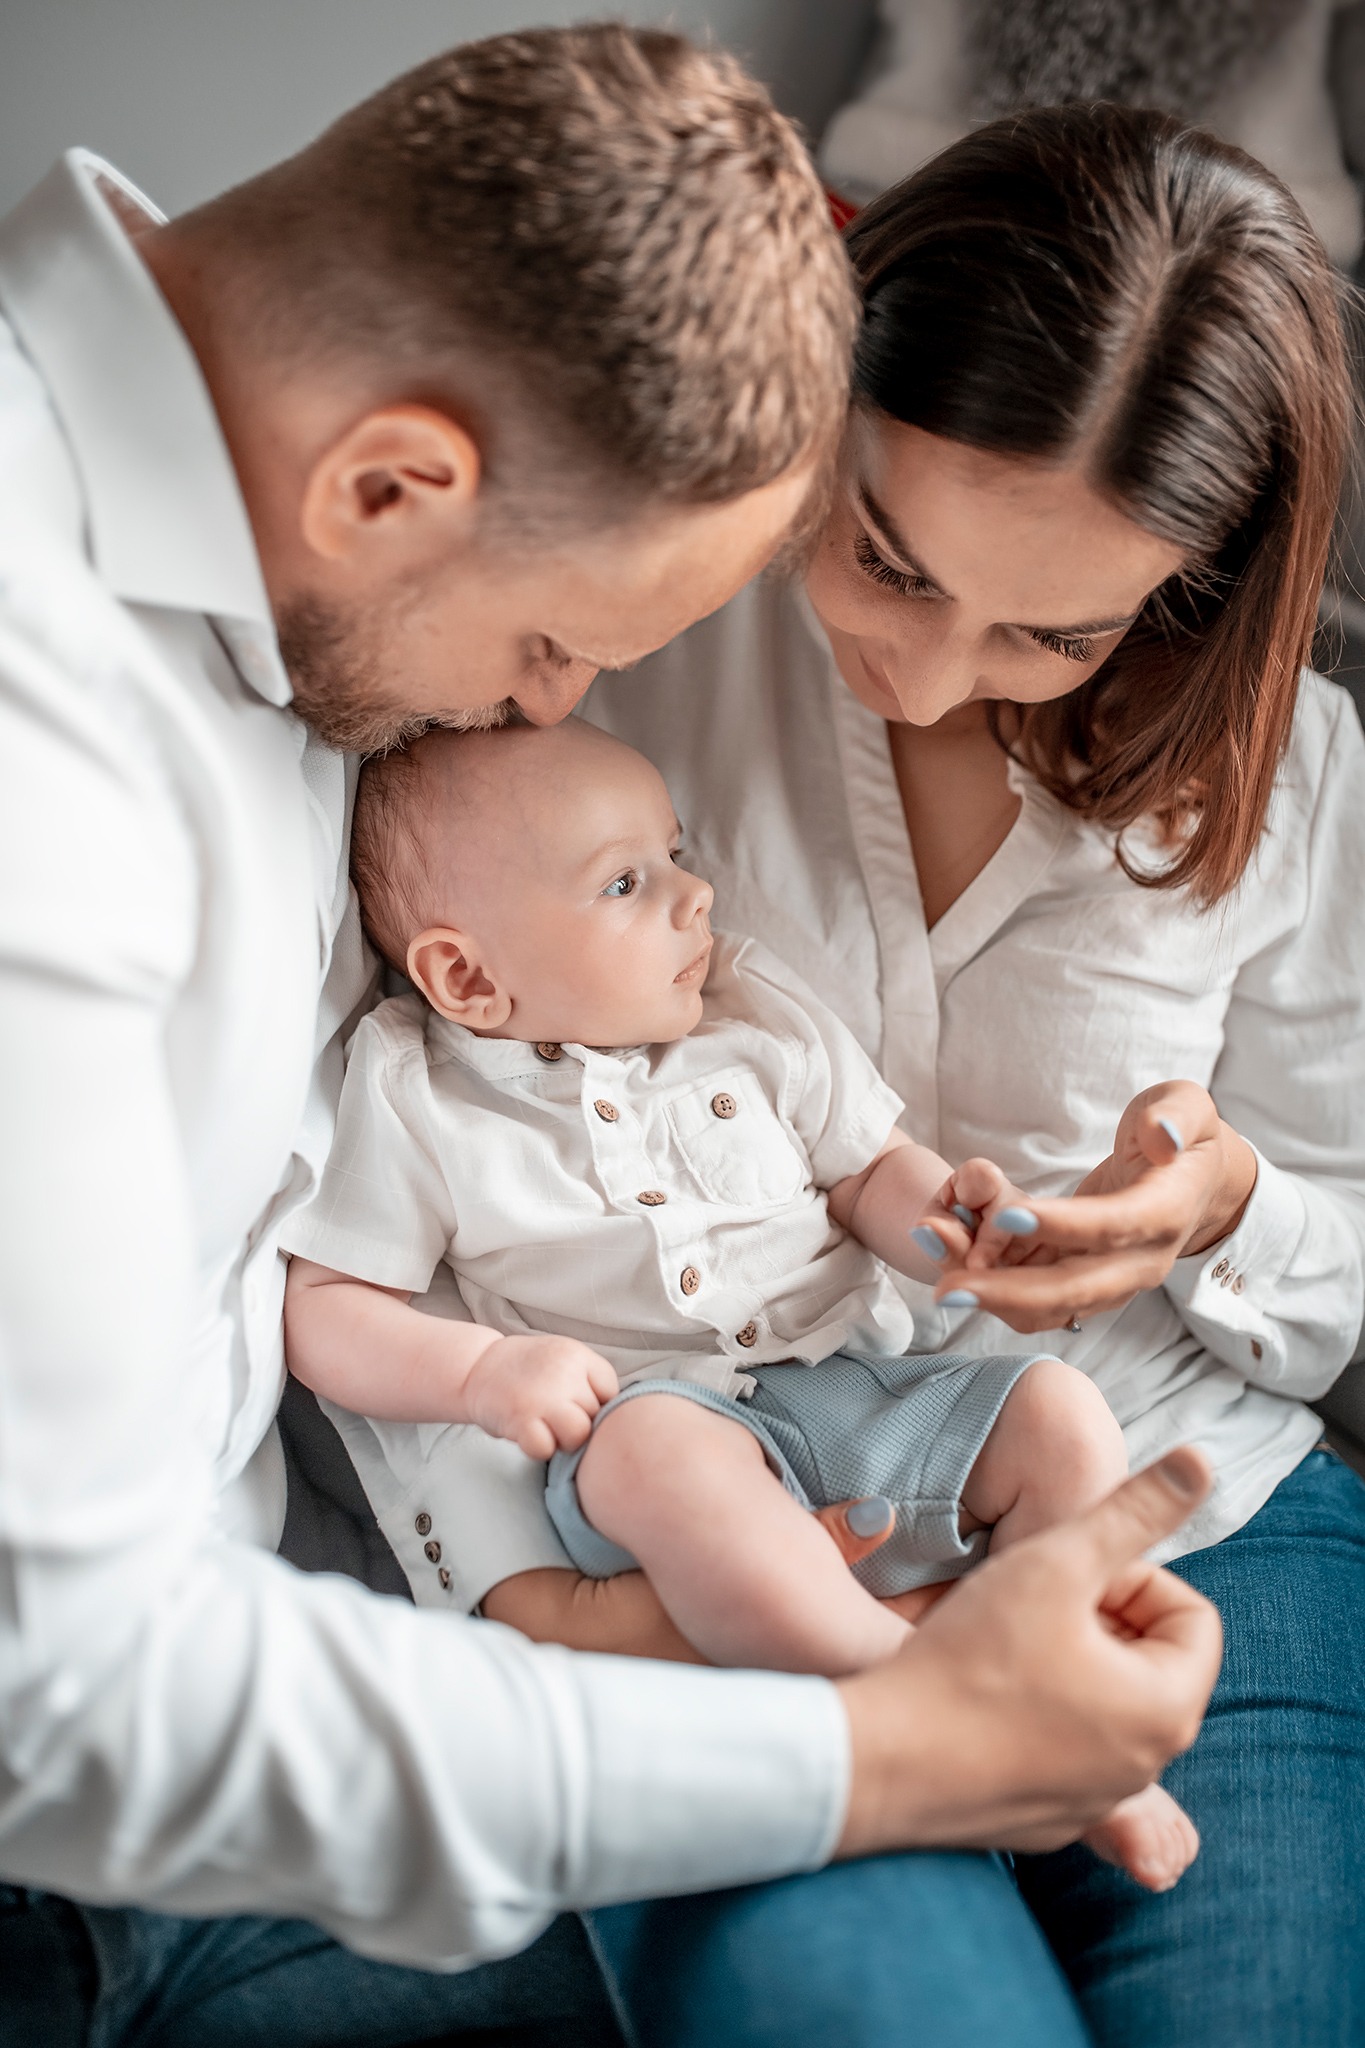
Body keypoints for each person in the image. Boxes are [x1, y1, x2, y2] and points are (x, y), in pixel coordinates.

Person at [0, 29, 1222, 2048]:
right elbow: (82, 1699)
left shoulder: (278, 588)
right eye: (552, 650)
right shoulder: (49, 752)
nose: (542, 707)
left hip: (318, 1719)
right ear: (393, 484)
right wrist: (889, 1749)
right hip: (118, 1838)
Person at [431, 102, 1362, 2044]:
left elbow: (1334, 1251)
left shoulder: (1297, 782)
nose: (930, 674)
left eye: (1052, 628)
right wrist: (548, 1592)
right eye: (885, 556)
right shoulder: (622, 642)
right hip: (746, 1506)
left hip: (1181, 1488)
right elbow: (426, 1124)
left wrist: (1228, 1209)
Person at [281, 716, 1198, 1891]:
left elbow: (870, 1170)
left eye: (676, 852)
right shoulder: (419, 1094)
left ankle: (1055, 1668)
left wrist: (963, 1234)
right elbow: (330, 1307)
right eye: (628, 881)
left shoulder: (752, 1016)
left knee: (1062, 1414)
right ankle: (919, 1688)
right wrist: (479, 1374)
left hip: (862, 1390)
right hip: (668, 1431)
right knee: (652, 1453)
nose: (695, 895)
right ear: (469, 975)